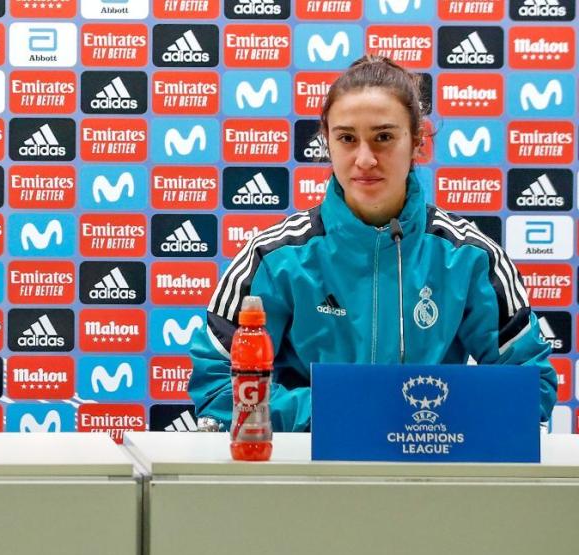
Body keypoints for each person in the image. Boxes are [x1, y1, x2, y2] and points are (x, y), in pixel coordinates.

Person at [188, 55, 557, 432]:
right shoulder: (273, 258)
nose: (364, 159)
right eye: (347, 138)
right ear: (327, 142)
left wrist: (425, 417)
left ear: (416, 142)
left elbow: (531, 388)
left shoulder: (470, 257)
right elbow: (218, 386)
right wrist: (340, 413)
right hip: (305, 479)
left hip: (428, 476)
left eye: (383, 137)